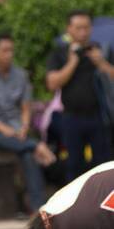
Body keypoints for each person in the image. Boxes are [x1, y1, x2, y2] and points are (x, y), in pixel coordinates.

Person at [0, 33, 49, 214]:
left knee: (28, 155)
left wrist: (23, 127)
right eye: (4, 50)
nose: (9, 54)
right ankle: (36, 145)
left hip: (16, 127)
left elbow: (25, 108)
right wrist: (4, 129)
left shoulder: (21, 75)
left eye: (11, 50)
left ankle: (39, 208)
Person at [45, 10, 114, 182]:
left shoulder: (101, 50)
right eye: (78, 28)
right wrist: (73, 61)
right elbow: (52, 83)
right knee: (73, 164)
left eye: (86, 27)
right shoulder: (60, 53)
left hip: (98, 116)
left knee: (103, 165)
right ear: (69, 29)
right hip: (71, 117)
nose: (83, 32)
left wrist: (101, 63)